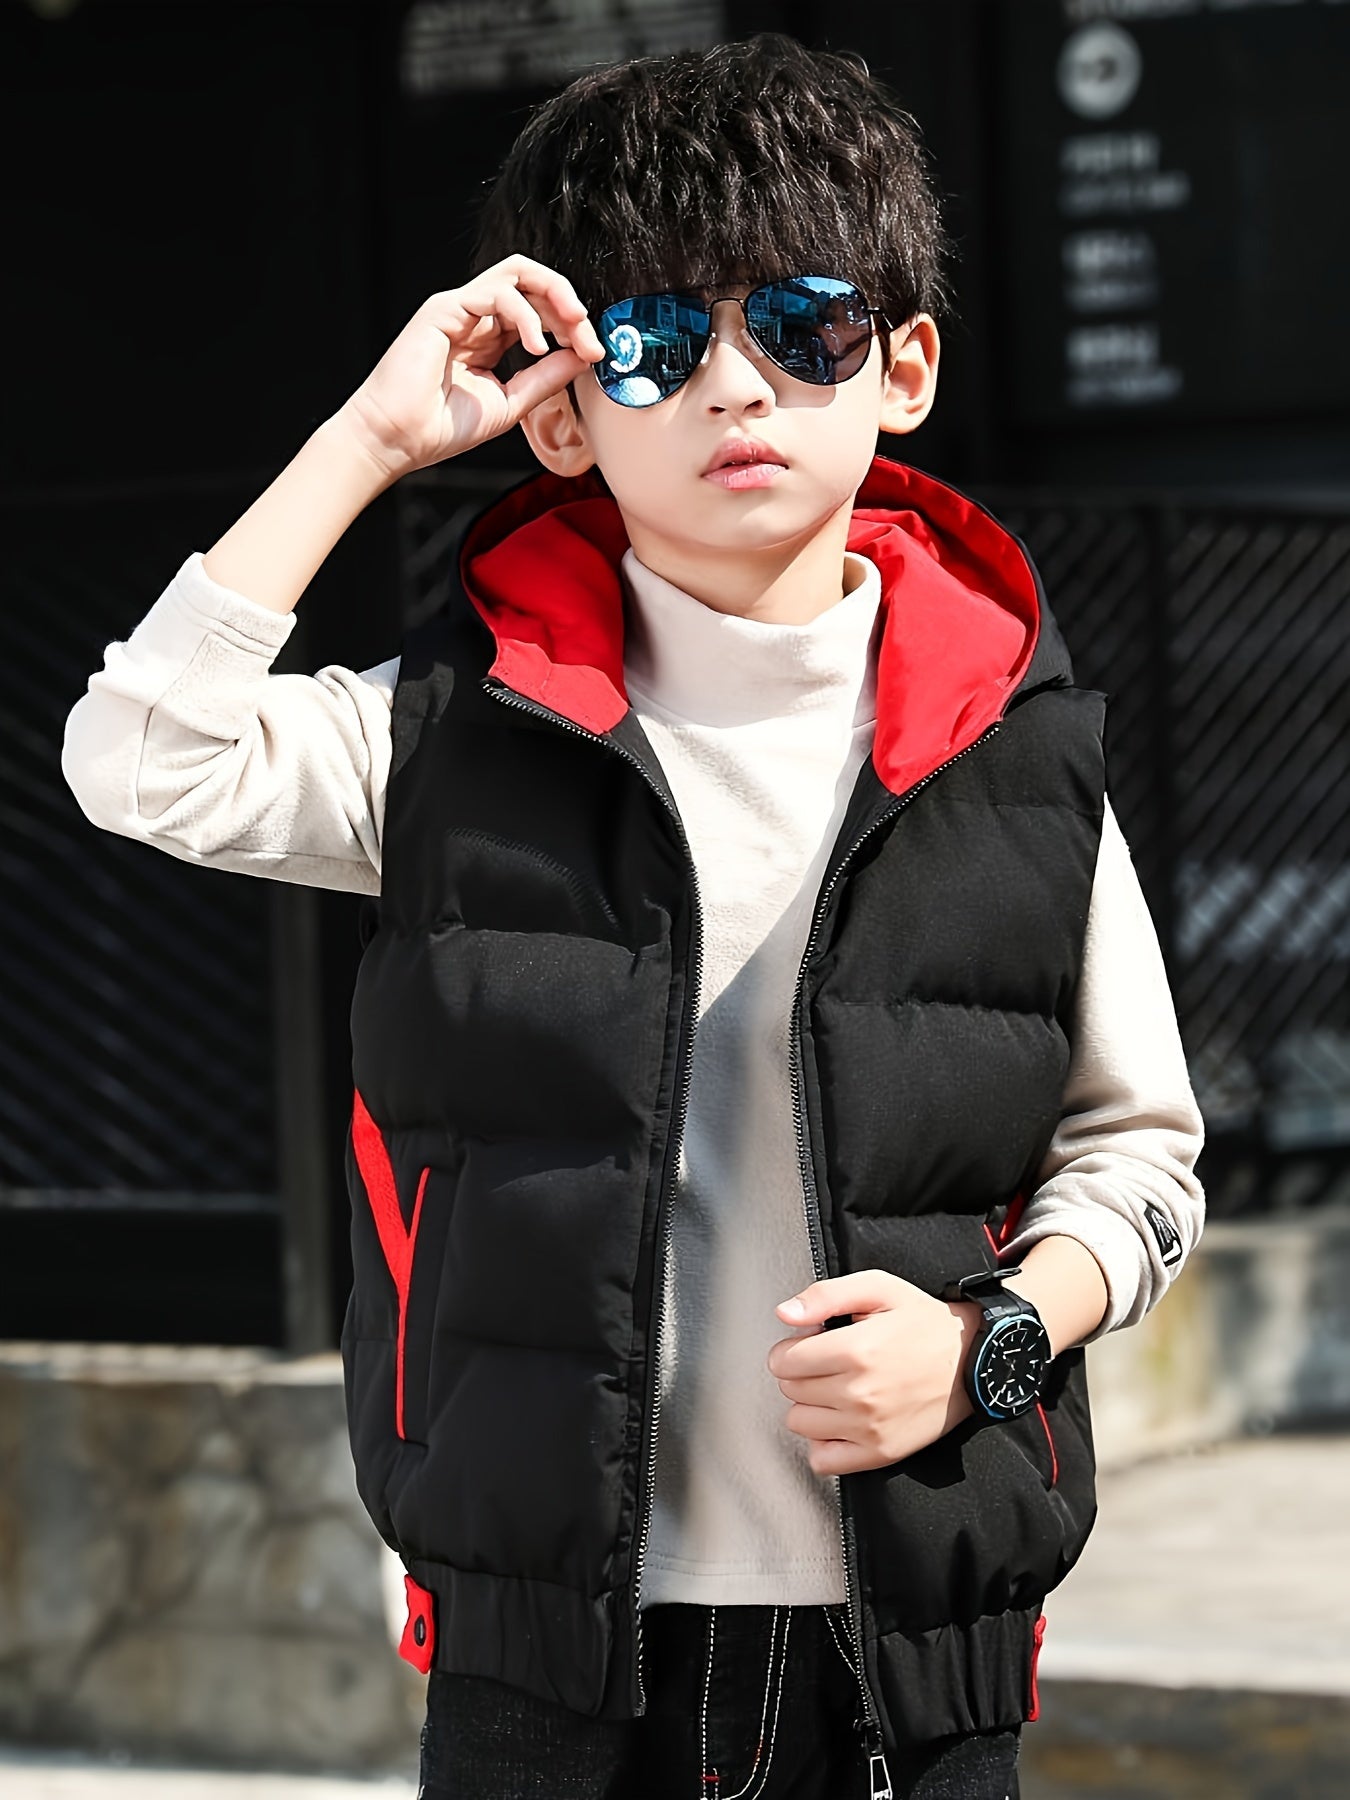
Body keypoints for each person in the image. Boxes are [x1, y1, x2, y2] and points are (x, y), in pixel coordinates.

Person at [61, 32, 1205, 1800]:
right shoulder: (446, 740)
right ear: (562, 417)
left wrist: (984, 1344)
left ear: (901, 368)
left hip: (914, 1656)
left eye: (803, 324)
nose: (735, 387)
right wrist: (369, 441)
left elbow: (1140, 1161)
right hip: (546, 1668)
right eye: (656, 344)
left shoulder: (1017, 753)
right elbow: (139, 760)